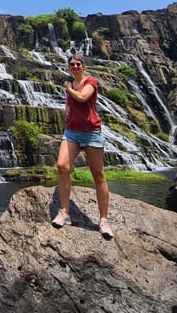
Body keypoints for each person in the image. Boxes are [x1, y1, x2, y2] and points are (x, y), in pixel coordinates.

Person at [52, 55, 113, 239]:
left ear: (83, 66)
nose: (75, 66)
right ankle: (64, 212)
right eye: (72, 64)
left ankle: (103, 220)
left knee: (98, 175)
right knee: (62, 166)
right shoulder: (70, 85)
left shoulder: (90, 81)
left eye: (78, 64)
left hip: (91, 133)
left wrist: (69, 88)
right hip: (71, 132)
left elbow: (82, 97)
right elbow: (70, 106)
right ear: (69, 67)